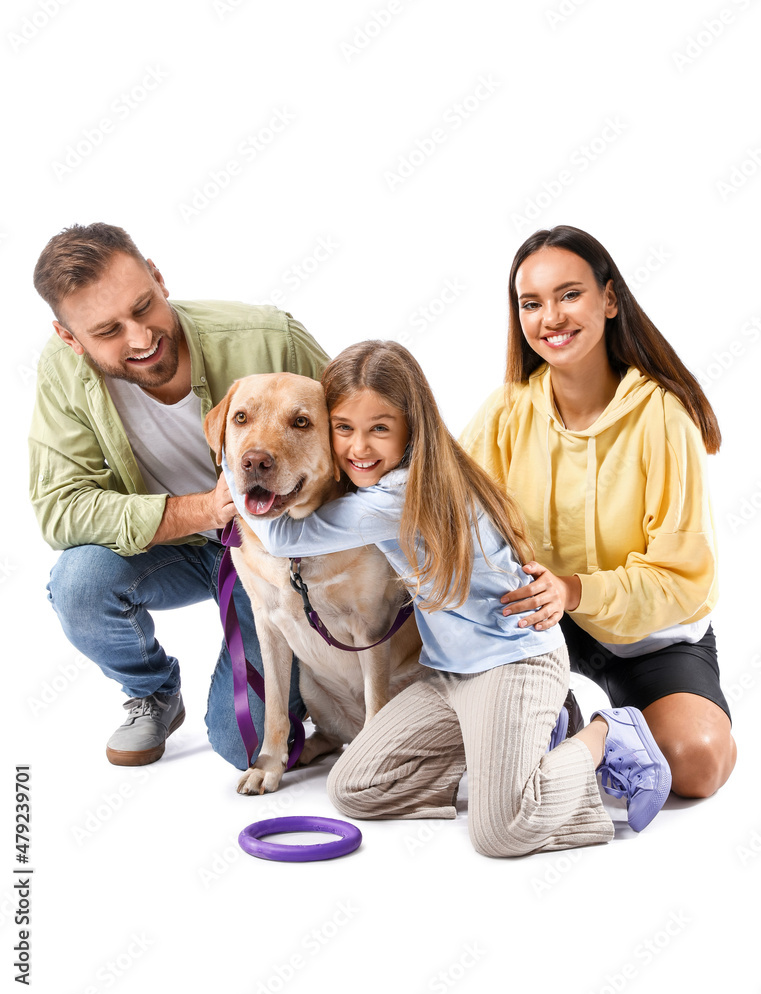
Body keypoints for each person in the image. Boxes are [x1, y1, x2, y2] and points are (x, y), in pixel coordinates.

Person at [222, 339, 672, 857]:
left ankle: (604, 735)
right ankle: (521, 757)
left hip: (512, 664)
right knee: (351, 787)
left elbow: (280, 537)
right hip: (447, 672)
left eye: (380, 429)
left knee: (499, 832)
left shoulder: (399, 494)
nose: (359, 448)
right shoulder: (380, 486)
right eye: (343, 429)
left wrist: (233, 467)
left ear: (413, 428)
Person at [29, 222, 329, 770]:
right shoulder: (63, 372)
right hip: (180, 546)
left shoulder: (268, 337)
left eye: (144, 307)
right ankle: (154, 691)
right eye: (108, 331)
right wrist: (201, 510)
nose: (141, 338)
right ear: (70, 338)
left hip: (281, 554)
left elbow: (365, 443)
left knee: (243, 746)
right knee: (79, 583)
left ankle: (325, 678)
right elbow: (60, 509)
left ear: (159, 279)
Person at [461, 224, 736, 800]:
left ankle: (605, 726)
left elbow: (681, 578)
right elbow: (449, 505)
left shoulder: (664, 418)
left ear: (609, 299)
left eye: (569, 295)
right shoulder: (509, 410)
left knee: (698, 764)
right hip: (543, 628)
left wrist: (574, 589)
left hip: (650, 642)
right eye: (532, 303)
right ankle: (568, 718)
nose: (551, 318)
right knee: (473, 745)